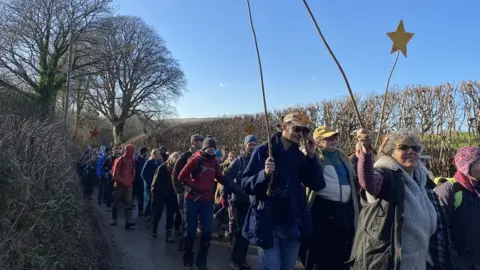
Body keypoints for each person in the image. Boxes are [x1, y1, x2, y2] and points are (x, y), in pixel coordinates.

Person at [240, 112, 326, 270]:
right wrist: (263, 174)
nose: (300, 134)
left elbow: (317, 184)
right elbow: (245, 184)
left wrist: (312, 156)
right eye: (297, 129)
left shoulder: (300, 156)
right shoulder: (263, 151)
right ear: (284, 126)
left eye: (304, 131)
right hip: (268, 222)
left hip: (293, 223)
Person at [349, 129, 439, 270]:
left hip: (418, 261)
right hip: (389, 262)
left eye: (415, 148)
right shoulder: (385, 174)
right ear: (390, 152)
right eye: (403, 147)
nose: (411, 151)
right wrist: (366, 152)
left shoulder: (421, 179)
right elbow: (369, 182)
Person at [178, 137, 241, 270]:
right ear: (204, 148)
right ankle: (188, 260)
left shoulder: (214, 162)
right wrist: (195, 187)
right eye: (209, 148)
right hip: (192, 200)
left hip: (206, 201)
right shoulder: (196, 159)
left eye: (214, 148)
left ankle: (202, 262)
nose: (212, 150)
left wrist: (233, 186)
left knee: (207, 232)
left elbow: (219, 177)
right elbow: (181, 176)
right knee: (190, 232)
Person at [302, 126, 359, 270]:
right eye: (328, 138)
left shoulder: (342, 156)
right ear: (318, 141)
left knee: (342, 250)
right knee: (321, 252)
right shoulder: (313, 156)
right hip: (322, 209)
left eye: (334, 138)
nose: (333, 141)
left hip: (344, 209)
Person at [436, 146, 480, 269]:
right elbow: (439, 229)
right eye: (479, 163)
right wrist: (453, 259)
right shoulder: (448, 190)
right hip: (458, 263)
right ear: (466, 167)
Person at [222, 135, 258, 270]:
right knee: (240, 232)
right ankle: (235, 260)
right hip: (239, 201)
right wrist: (237, 190)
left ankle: (242, 259)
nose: (253, 147)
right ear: (245, 145)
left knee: (248, 232)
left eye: (255, 144)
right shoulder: (239, 161)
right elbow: (226, 177)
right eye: (250, 144)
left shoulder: (257, 161)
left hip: (252, 201)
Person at [172, 134, 205, 251]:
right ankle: (183, 242)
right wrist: (179, 190)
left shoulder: (203, 156)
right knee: (185, 218)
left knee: (191, 218)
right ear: (193, 143)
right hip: (185, 191)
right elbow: (175, 173)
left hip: (198, 193)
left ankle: (185, 236)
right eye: (200, 141)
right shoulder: (185, 156)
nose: (202, 143)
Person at [151, 152, 182, 240]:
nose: (176, 160)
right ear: (171, 158)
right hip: (160, 193)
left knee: (170, 214)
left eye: (178, 158)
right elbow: (155, 180)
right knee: (158, 212)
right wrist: (154, 190)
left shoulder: (177, 169)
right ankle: (154, 228)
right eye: (175, 158)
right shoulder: (162, 167)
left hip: (172, 194)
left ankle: (168, 233)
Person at [110, 144, 136, 230]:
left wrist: (131, 179)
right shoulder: (120, 160)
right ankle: (114, 219)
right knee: (116, 203)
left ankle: (128, 221)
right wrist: (123, 182)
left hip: (128, 186)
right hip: (119, 186)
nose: (132, 153)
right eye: (131, 151)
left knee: (128, 204)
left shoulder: (132, 160)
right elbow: (115, 174)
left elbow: (133, 171)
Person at [214, 151, 237, 239]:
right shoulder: (223, 165)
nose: (231, 158)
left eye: (233, 156)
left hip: (231, 191)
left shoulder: (236, 165)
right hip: (221, 190)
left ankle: (228, 229)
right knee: (221, 209)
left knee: (229, 212)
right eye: (230, 156)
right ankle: (221, 229)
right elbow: (215, 177)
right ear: (228, 157)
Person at [141, 149, 163, 220]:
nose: (159, 155)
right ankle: (146, 214)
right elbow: (143, 173)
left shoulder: (160, 163)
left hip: (156, 184)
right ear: (153, 154)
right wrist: (148, 182)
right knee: (149, 199)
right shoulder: (149, 162)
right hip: (149, 184)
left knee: (154, 200)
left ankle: (151, 214)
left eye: (159, 153)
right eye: (157, 153)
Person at [102, 146, 122, 211]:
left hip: (117, 178)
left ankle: (116, 205)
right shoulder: (108, 158)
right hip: (110, 178)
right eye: (115, 150)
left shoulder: (119, 159)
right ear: (112, 151)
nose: (116, 152)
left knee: (117, 193)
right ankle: (108, 205)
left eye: (117, 151)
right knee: (109, 192)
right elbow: (103, 167)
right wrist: (108, 171)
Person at [133, 146, 148, 216]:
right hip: (135, 179)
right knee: (136, 195)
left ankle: (140, 210)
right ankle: (131, 208)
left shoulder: (144, 159)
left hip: (139, 179)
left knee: (140, 195)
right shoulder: (136, 159)